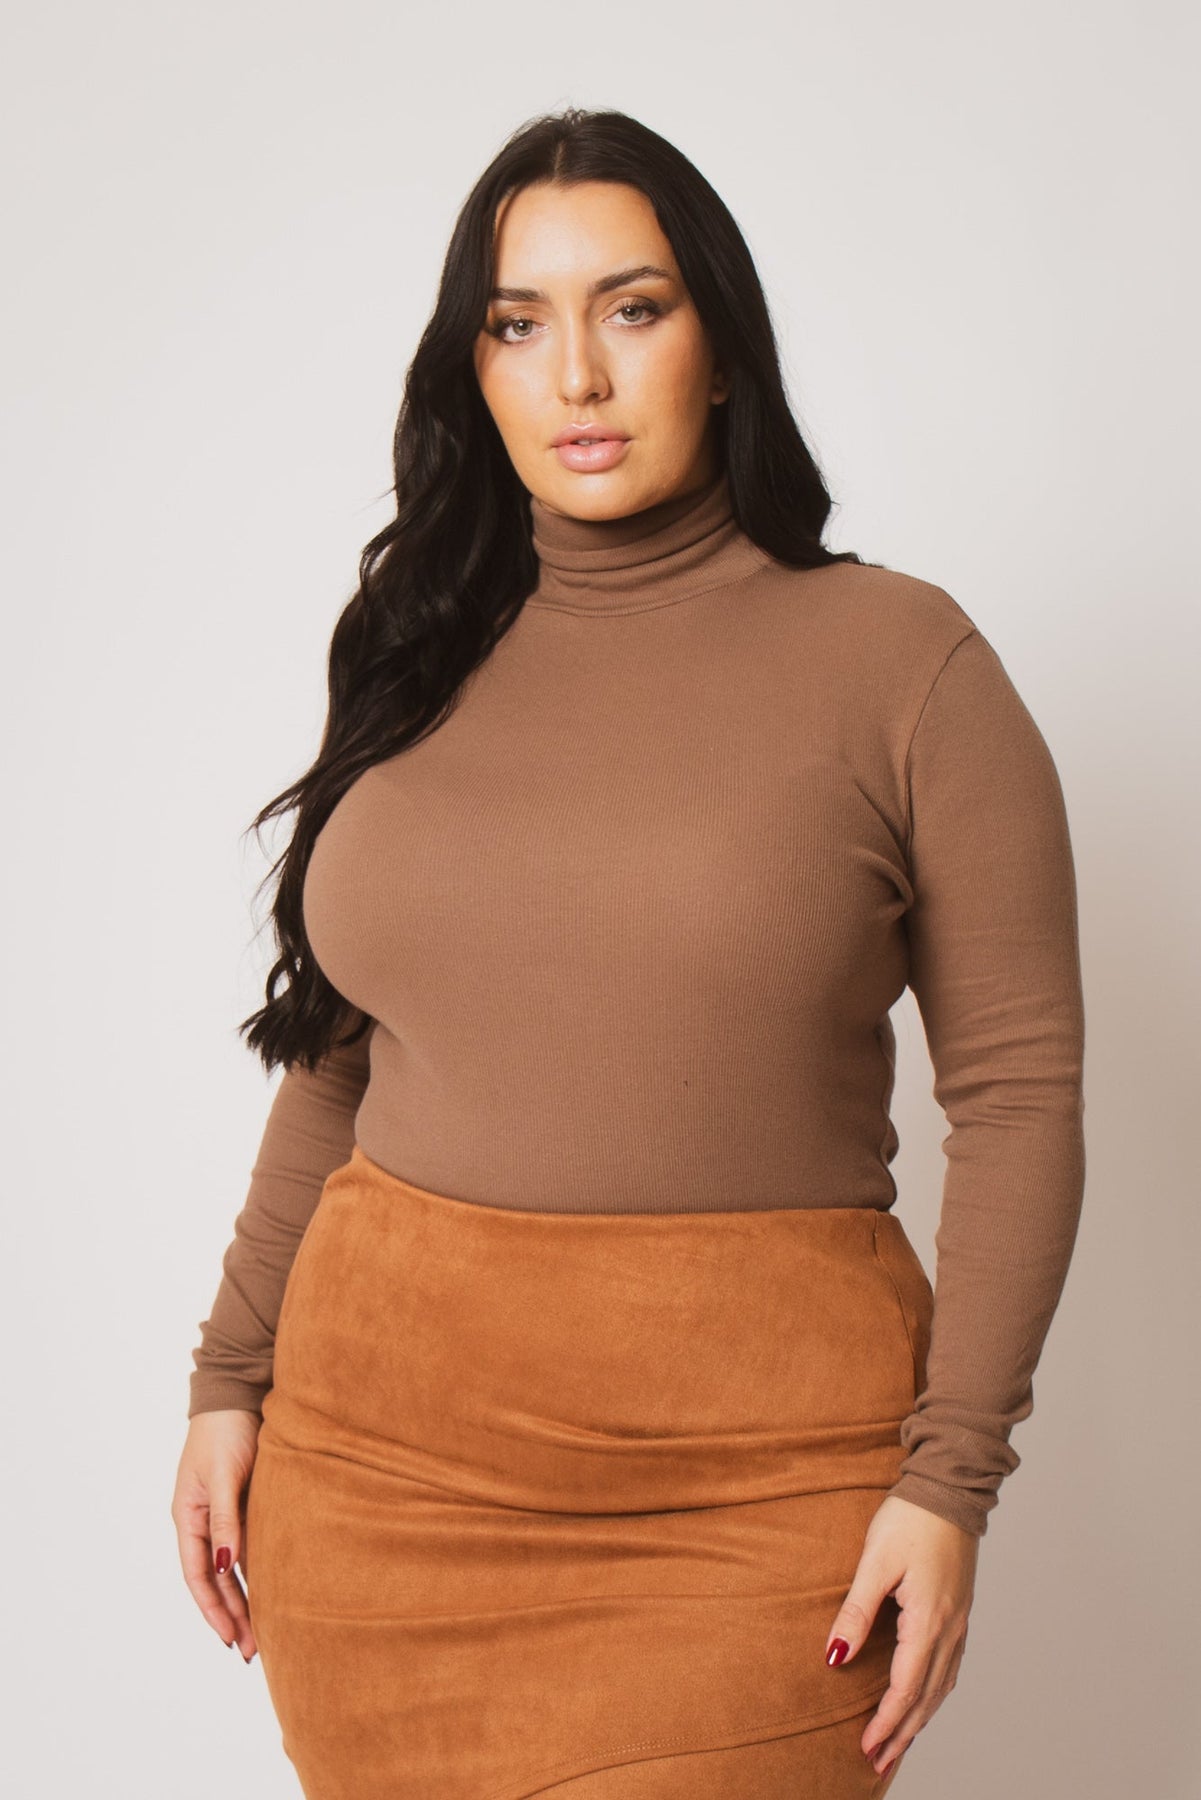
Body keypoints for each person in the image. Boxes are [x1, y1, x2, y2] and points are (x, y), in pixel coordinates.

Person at [171, 106, 1086, 1799]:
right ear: (472, 369)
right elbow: (341, 1060)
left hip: (757, 1495)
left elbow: (1019, 1098)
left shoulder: (903, 665)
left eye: (632, 308)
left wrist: (949, 1479)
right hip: (379, 1482)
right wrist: (230, 1377)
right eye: (517, 323)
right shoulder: (414, 648)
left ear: (720, 347)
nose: (576, 374)